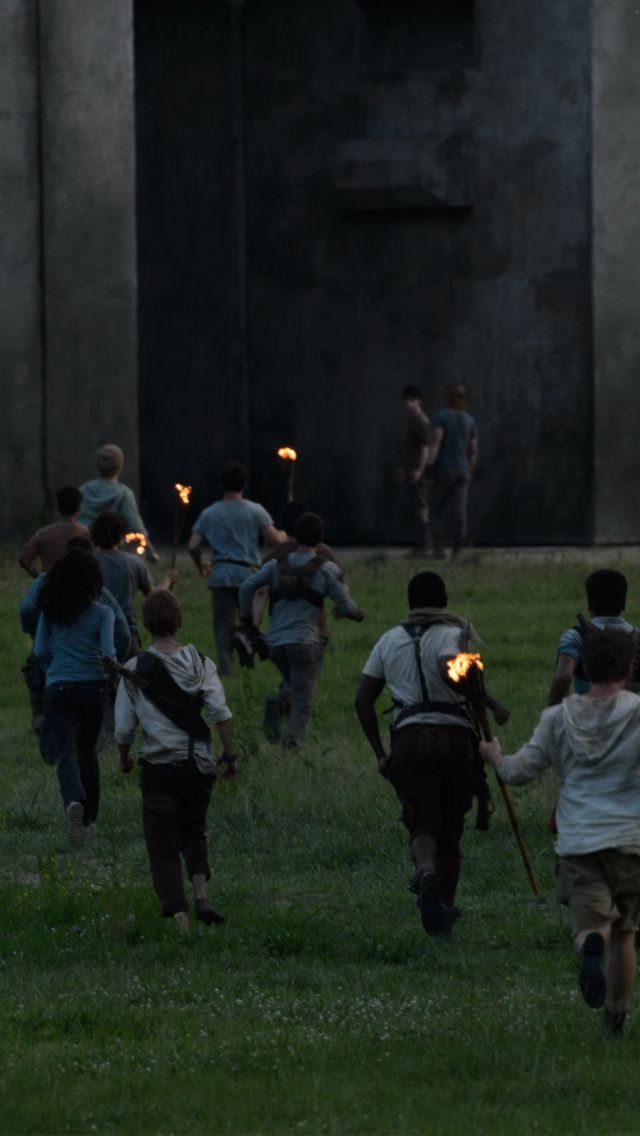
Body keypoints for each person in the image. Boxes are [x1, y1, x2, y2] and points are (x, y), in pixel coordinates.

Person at [481, 628, 640, 1038]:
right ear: (629, 666)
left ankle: (590, 947)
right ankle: (616, 1017)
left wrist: (495, 755)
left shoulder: (558, 718)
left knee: (590, 928)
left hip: (580, 842)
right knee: (625, 933)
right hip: (631, 840)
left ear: (585, 667)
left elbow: (518, 773)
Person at [355, 570, 478, 936]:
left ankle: (424, 872)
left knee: (422, 822)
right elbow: (462, 679)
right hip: (455, 737)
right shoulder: (457, 634)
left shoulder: (388, 640)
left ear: (410, 603)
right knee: (451, 831)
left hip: (409, 738)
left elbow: (363, 699)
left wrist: (380, 752)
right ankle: (445, 908)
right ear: (444, 601)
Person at [114, 591, 237, 932]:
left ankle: (180, 920)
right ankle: (200, 896)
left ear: (148, 624)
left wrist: (124, 760)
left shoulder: (134, 668)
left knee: (162, 843)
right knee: (194, 830)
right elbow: (220, 714)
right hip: (199, 764)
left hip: (158, 766)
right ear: (178, 620)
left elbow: (124, 729)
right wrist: (230, 755)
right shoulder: (200, 661)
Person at [239, 512, 364, 747]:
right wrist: (357, 614)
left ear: (295, 536)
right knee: (304, 702)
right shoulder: (325, 569)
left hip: (275, 644)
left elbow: (246, 588)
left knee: (294, 686)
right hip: (305, 643)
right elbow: (345, 605)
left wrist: (247, 622)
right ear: (321, 538)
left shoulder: (276, 566)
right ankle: (291, 749)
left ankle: (277, 707)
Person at [34, 549, 116, 845]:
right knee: (87, 751)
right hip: (92, 688)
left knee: (66, 752)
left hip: (58, 688)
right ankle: (90, 820)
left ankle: (72, 802)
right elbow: (108, 654)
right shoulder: (103, 613)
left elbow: (40, 651)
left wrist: (52, 670)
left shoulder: (50, 612)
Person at [187, 461, 286, 675]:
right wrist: (286, 535)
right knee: (249, 619)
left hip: (221, 574)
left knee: (222, 625)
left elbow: (193, 545)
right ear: (244, 484)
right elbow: (274, 539)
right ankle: (246, 643)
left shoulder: (209, 513)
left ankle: (225, 667)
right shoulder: (255, 510)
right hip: (248, 574)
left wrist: (201, 566)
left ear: (222, 485)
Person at [90, 512, 175, 652]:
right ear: (121, 535)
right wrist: (168, 579)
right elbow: (154, 597)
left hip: (94, 628)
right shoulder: (133, 562)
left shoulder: (89, 563)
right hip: (126, 630)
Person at [548, 570, 636, 705]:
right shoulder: (637, 637)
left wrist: (554, 717)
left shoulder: (575, 636)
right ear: (623, 604)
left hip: (588, 719)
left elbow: (563, 678)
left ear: (590, 604)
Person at [78, 444, 158, 561]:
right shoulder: (124, 494)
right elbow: (136, 527)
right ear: (119, 466)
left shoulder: (83, 490)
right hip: (114, 552)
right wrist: (150, 551)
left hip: (84, 549)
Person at [427, 383, 478, 558]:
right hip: (462, 471)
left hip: (444, 469)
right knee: (459, 512)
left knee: (435, 511)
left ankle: (439, 550)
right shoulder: (469, 420)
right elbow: (473, 450)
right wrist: (468, 470)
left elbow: (436, 442)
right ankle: (457, 550)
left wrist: (429, 466)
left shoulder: (441, 417)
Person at [394, 386, 432, 556]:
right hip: (412, 470)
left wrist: (420, 470)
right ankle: (422, 544)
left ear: (419, 400)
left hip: (418, 473)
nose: (409, 404)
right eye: (407, 401)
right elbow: (411, 449)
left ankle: (425, 545)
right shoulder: (413, 420)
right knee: (418, 509)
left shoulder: (421, 422)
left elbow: (426, 448)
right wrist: (405, 469)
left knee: (422, 508)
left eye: (412, 400)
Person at [19, 486, 89, 578]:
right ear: (79, 508)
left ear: (58, 507)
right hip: (79, 587)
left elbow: (24, 558)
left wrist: (40, 578)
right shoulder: (85, 533)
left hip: (50, 588)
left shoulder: (43, 534)